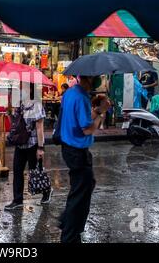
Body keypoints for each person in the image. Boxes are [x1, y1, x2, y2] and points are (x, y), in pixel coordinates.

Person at [58, 75, 111, 243]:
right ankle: (70, 235)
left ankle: (67, 222)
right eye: (96, 77)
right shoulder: (81, 97)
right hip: (77, 151)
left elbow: (80, 118)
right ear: (89, 79)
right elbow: (87, 129)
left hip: (69, 148)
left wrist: (96, 111)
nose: (98, 80)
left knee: (83, 187)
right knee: (80, 195)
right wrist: (101, 113)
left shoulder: (70, 93)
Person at [4, 82, 53, 211]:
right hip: (20, 144)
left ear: (29, 89)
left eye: (23, 86)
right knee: (17, 171)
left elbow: (40, 128)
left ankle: (47, 191)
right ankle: (17, 200)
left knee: (35, 172)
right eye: (19, 86)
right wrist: (9, 113)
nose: (20, 89)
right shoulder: (19, 104)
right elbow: (15, 125)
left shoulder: (36, 105)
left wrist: (41, 148)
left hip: (33, 144)